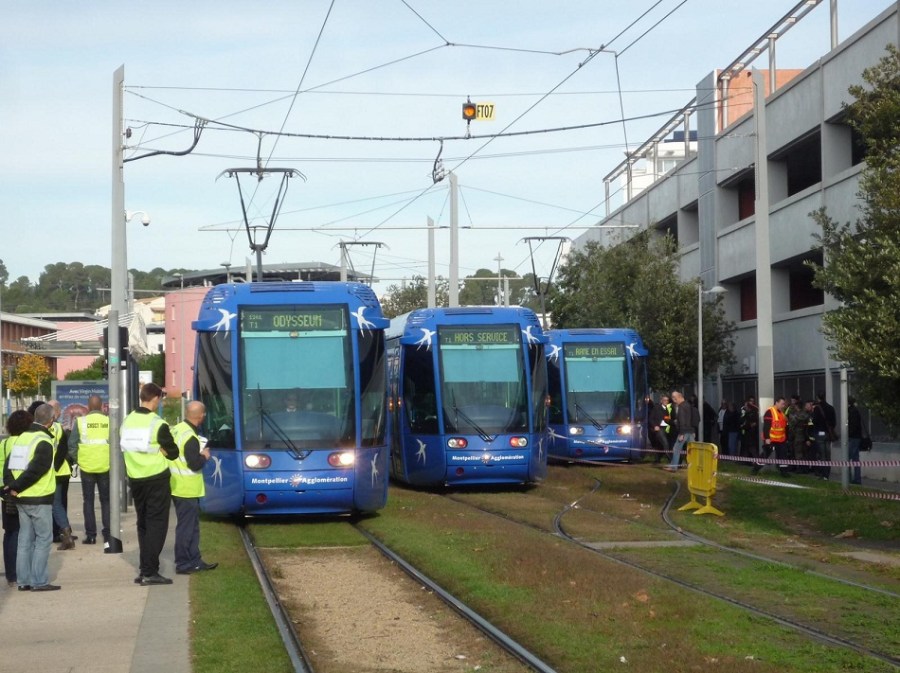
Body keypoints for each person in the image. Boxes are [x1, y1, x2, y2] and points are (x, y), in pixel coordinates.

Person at [121, 382, 179, 586]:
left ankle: (144, 568)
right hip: (156, 478)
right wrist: (162, 451)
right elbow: (173, 452)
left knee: (143, 524)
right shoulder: (158, 424)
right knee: (157, 525)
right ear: (155, 398)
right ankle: (149, 571)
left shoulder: (127, 421)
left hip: (136, 479)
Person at [2, 403, 63, 591]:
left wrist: (13, 487)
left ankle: (23, 581)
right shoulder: (43, 441)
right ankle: (39, 581)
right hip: (39, 497)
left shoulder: (22, 439)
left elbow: (8, 467)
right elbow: (36, 470)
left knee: (24, 541)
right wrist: (17, 486)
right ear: (51, 421)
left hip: (21, 499)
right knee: (43, 539)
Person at [170, 401, 218, 575]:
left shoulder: (177, 429)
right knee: (187, 527)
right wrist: (204, 456)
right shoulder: (190, 436)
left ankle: (195, 560)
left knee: (191, 526)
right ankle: (183, 563)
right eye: (204, 414)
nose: (205, 416)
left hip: (177, 484)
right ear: (200, 415)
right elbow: (194, 464)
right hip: (186, 487)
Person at [68, 394, 111, 547]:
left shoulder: (81, 422)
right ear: (100, 406)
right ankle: (108, 534)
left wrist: (79, 459)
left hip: (87, 467)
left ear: (89, 406)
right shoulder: (109, 421)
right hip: (105, 466)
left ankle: (91, 535)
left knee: (88, 501)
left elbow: (72, 445)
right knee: (106, 501)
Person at [1, 410, 33, 587]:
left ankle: (11, 573)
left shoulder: (5, 443)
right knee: (23, 533)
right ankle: (23, 572)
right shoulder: (24, 443)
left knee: (9, 532)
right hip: (20, 490)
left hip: (3, 492)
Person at [47, 400, 76, 550]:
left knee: (55, 504)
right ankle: (66, 532)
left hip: (56, 471)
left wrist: (52, 467)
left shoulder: (51, 428)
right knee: (58, 503)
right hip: (62, 470)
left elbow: (61, 450)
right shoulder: (59, 428)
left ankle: (67, 535)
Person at [752, 396, 790, 477]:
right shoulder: (770, 412)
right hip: (771, 439)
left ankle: (784, 472)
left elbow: (784, 426)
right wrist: (767, 438)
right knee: (765, 454)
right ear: (776, 403)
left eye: (784, 404)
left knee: (783, 455)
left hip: (781, 439)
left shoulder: (782, 413)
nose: (783, 406)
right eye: (782, 404)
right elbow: (766, 427)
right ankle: (755, 469)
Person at [664, 391, 694, 471]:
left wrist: (681, 433)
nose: (674, 400)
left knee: (676, 448)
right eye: (673, 398)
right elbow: (692, 419)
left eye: (675, 398)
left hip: (684, 431)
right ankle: (695, 466)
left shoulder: (681, 407)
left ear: (679, 397)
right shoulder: (688, 405)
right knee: (693, 449)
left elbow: (682, 420)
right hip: (690, 431)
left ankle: (673, 467)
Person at [812, 393, 837, 480]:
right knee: (828, 454)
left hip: (820, 433)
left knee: (821, 455)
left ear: (818, 398)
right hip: (828, 434)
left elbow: (814, 421)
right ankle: (827, 474)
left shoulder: (817, 409)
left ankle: (823, 474)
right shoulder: (831, 408)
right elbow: (834, 422)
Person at [847, 397, 864, 485]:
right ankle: (857, 479)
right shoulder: (854, 410)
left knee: (847, 457)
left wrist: (848, 434)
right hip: (856, 437)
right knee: (855, 458)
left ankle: (849, 478)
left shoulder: (852, 411)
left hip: (853, 438)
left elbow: (853, 426)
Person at [647, 395, 669, 463]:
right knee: (665, 443)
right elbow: (650, 419)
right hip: (659, 429)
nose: (666, 402)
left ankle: (657, 459)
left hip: (667, 428)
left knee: (660, 444)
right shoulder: (656, 408)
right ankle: (671, 459)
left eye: (667, 400)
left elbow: (668, 418)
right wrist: (655, 426)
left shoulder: (669, 409)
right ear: (661, 401)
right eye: (664, 400)